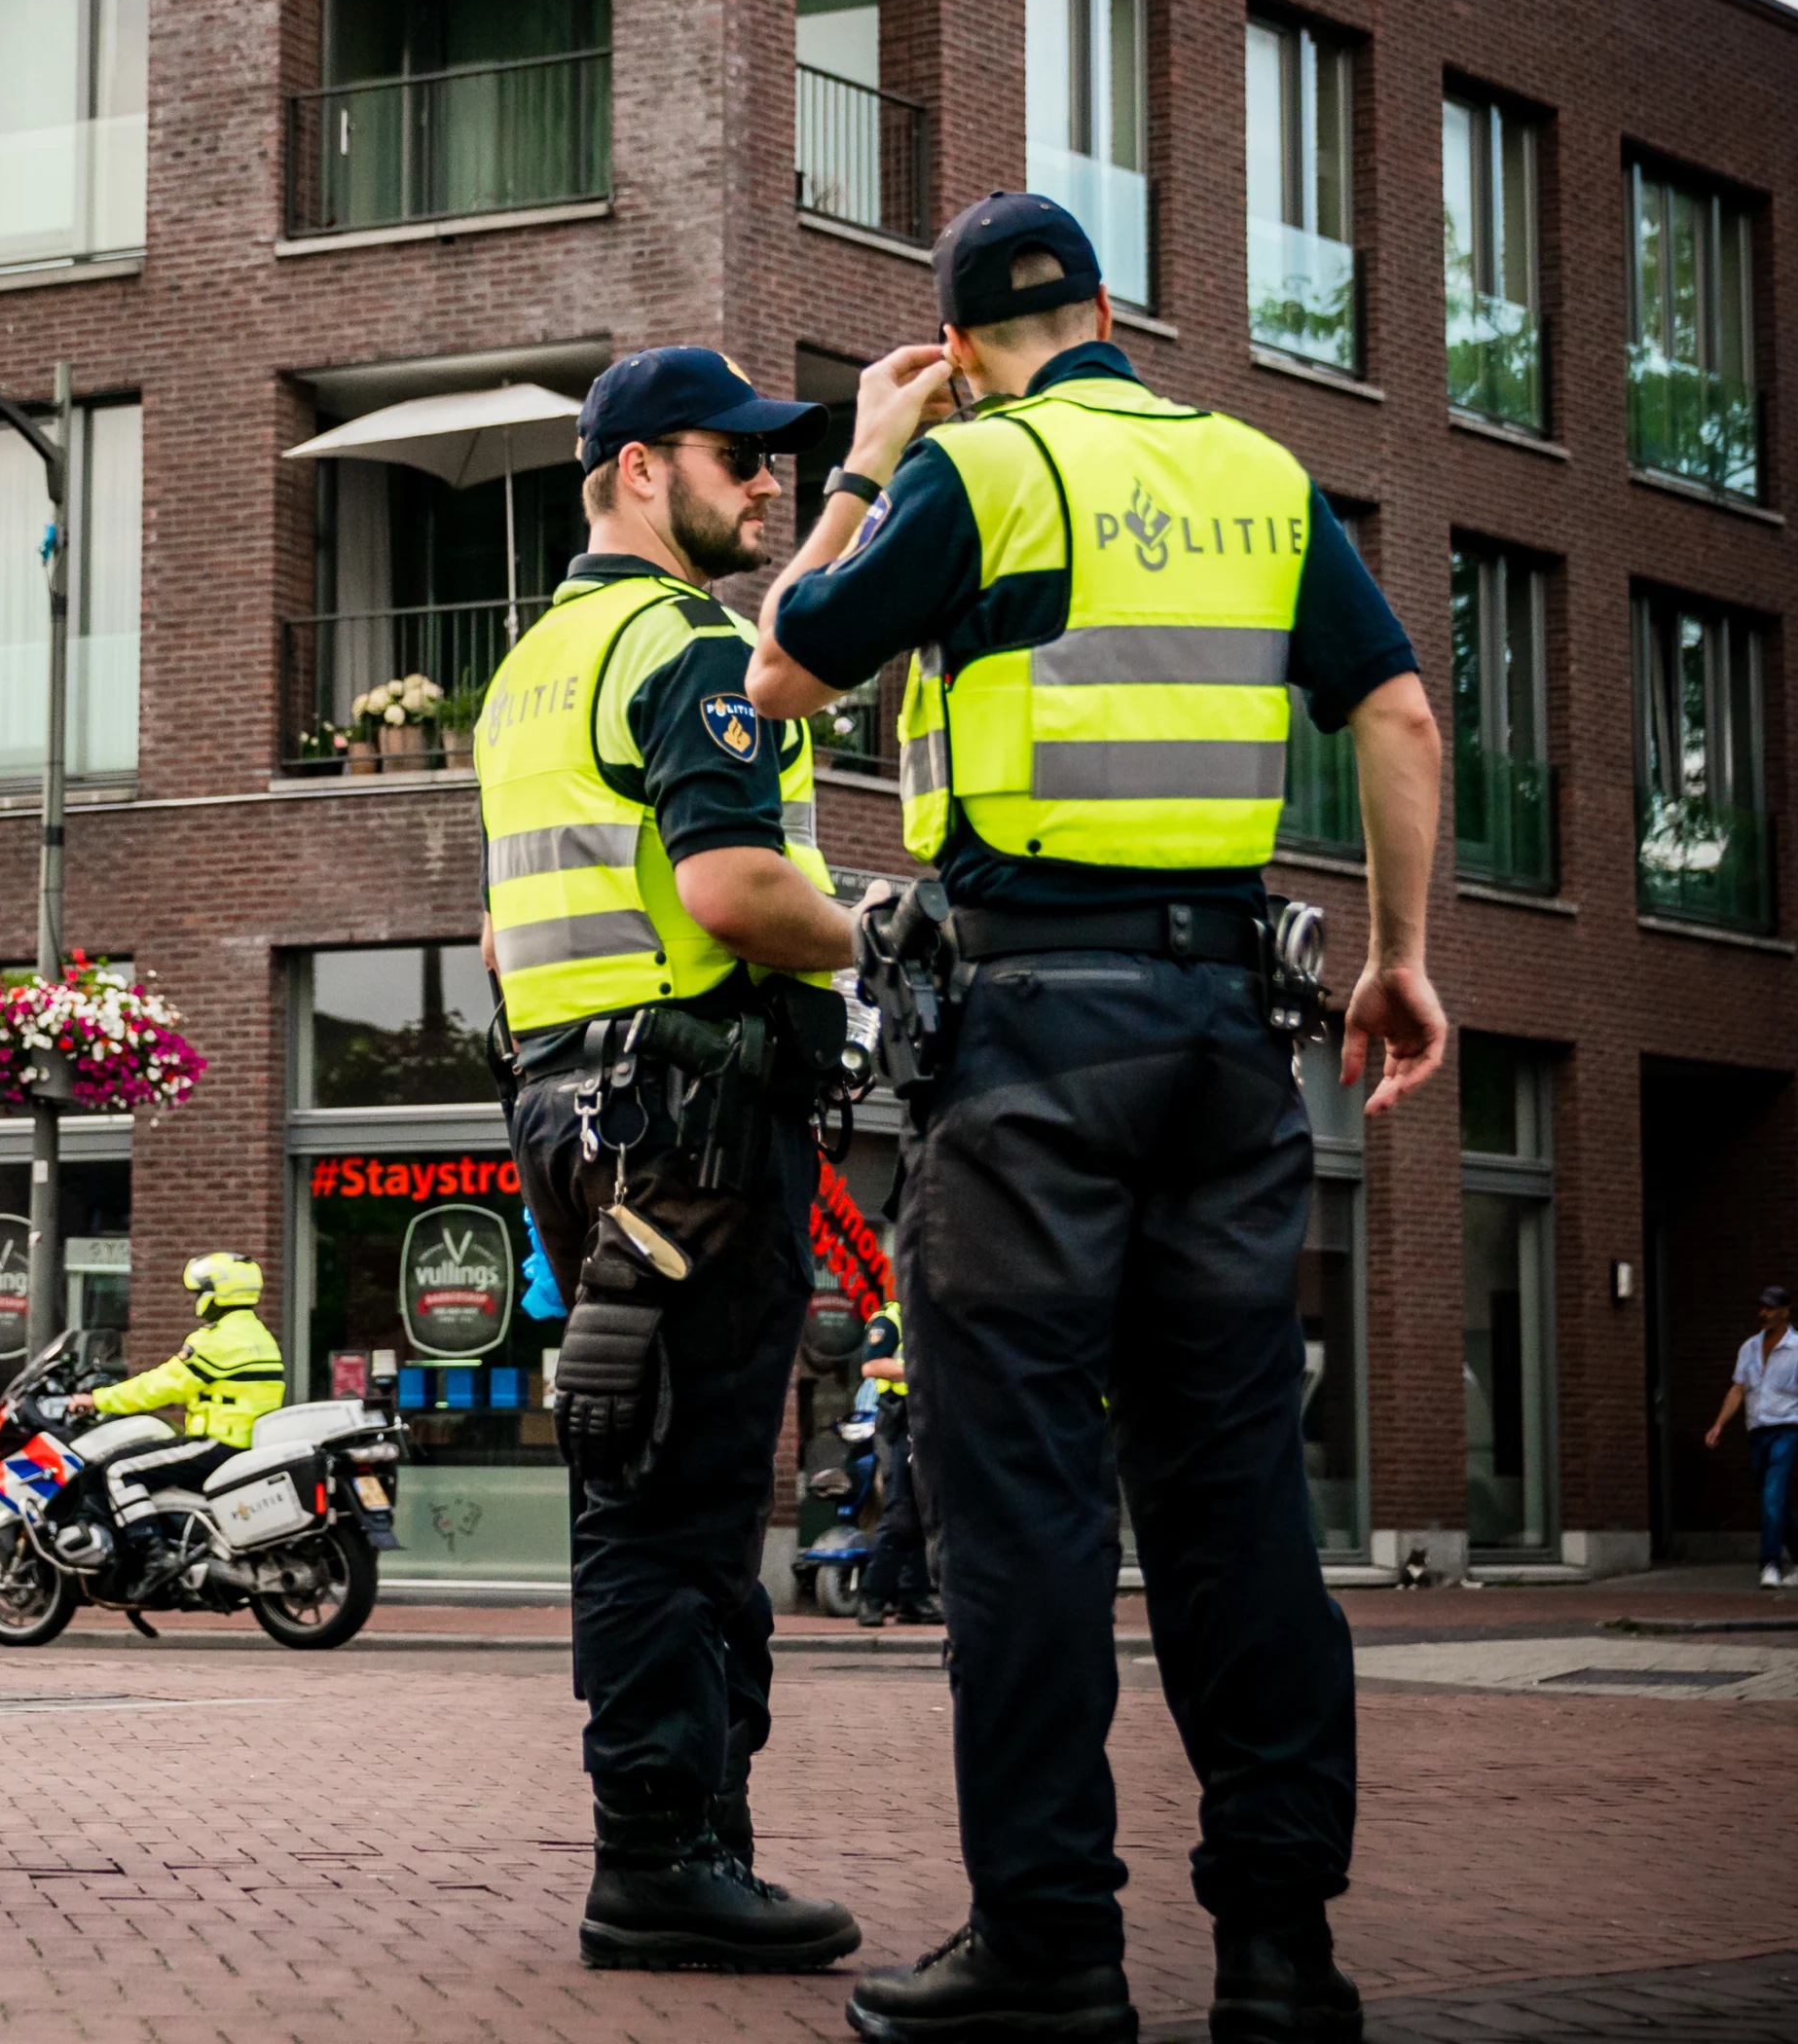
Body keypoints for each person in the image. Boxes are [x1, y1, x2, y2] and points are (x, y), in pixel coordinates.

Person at [747, 191, 1449, 2044]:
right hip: (1228, 1041)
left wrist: (868, 459)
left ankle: (1051, 1945)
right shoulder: (1261, 477)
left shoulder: (980, 476)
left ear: (962, 351)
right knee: (1237, 1502)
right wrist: (1398, 960)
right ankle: (1280, 1951)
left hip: (1031, 1046)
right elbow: (1397, 716)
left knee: (1028, 1506)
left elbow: (780, 670)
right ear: (1114, 312)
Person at [471, 346, 867, 1977]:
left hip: (582, 1117)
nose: (767, 482)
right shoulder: (685, 647)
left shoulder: (534, 665)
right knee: (686, 1513)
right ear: (641, 469)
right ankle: (663, 1859)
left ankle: (689, 1842)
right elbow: (729, 889)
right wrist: (890, 938)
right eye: (740, 456)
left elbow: (498, 935)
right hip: (694, 1126)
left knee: (644, 1486)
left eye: (781, 463)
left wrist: (858, 493)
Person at [68, 1252, 289, 1594]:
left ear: (216, 1293)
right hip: (245, 1443)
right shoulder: (260, 1336)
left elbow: (161, 1386)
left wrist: (98, 1399)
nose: (197, 1299)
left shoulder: (216, 1340)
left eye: (199, 1291)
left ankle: (154, 1556)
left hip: (217, 1443)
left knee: (118, 1470)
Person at [1705, 1284, 1798, 1588]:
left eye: (1771, 1308)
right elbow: (1738, 1389)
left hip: (1788, 1428)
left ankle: (1770, 1564)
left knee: (1773, 1495)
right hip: (1758, 1431)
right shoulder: (1749, 1348)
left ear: (1785, 1312)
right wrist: (1719, 1424)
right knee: (1772, 1499)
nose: (1764, 1313)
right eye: (1761, 1307)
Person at [850, 1295, 933, 1630]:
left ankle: (913, 1598)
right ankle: (872, 1598)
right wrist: (920, 1371)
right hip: (900, 1424)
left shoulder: (934, 1314)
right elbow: (871, 1365)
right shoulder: (892, 1317)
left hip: (928, 1422)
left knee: (920, 1511)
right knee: (900, 1512)